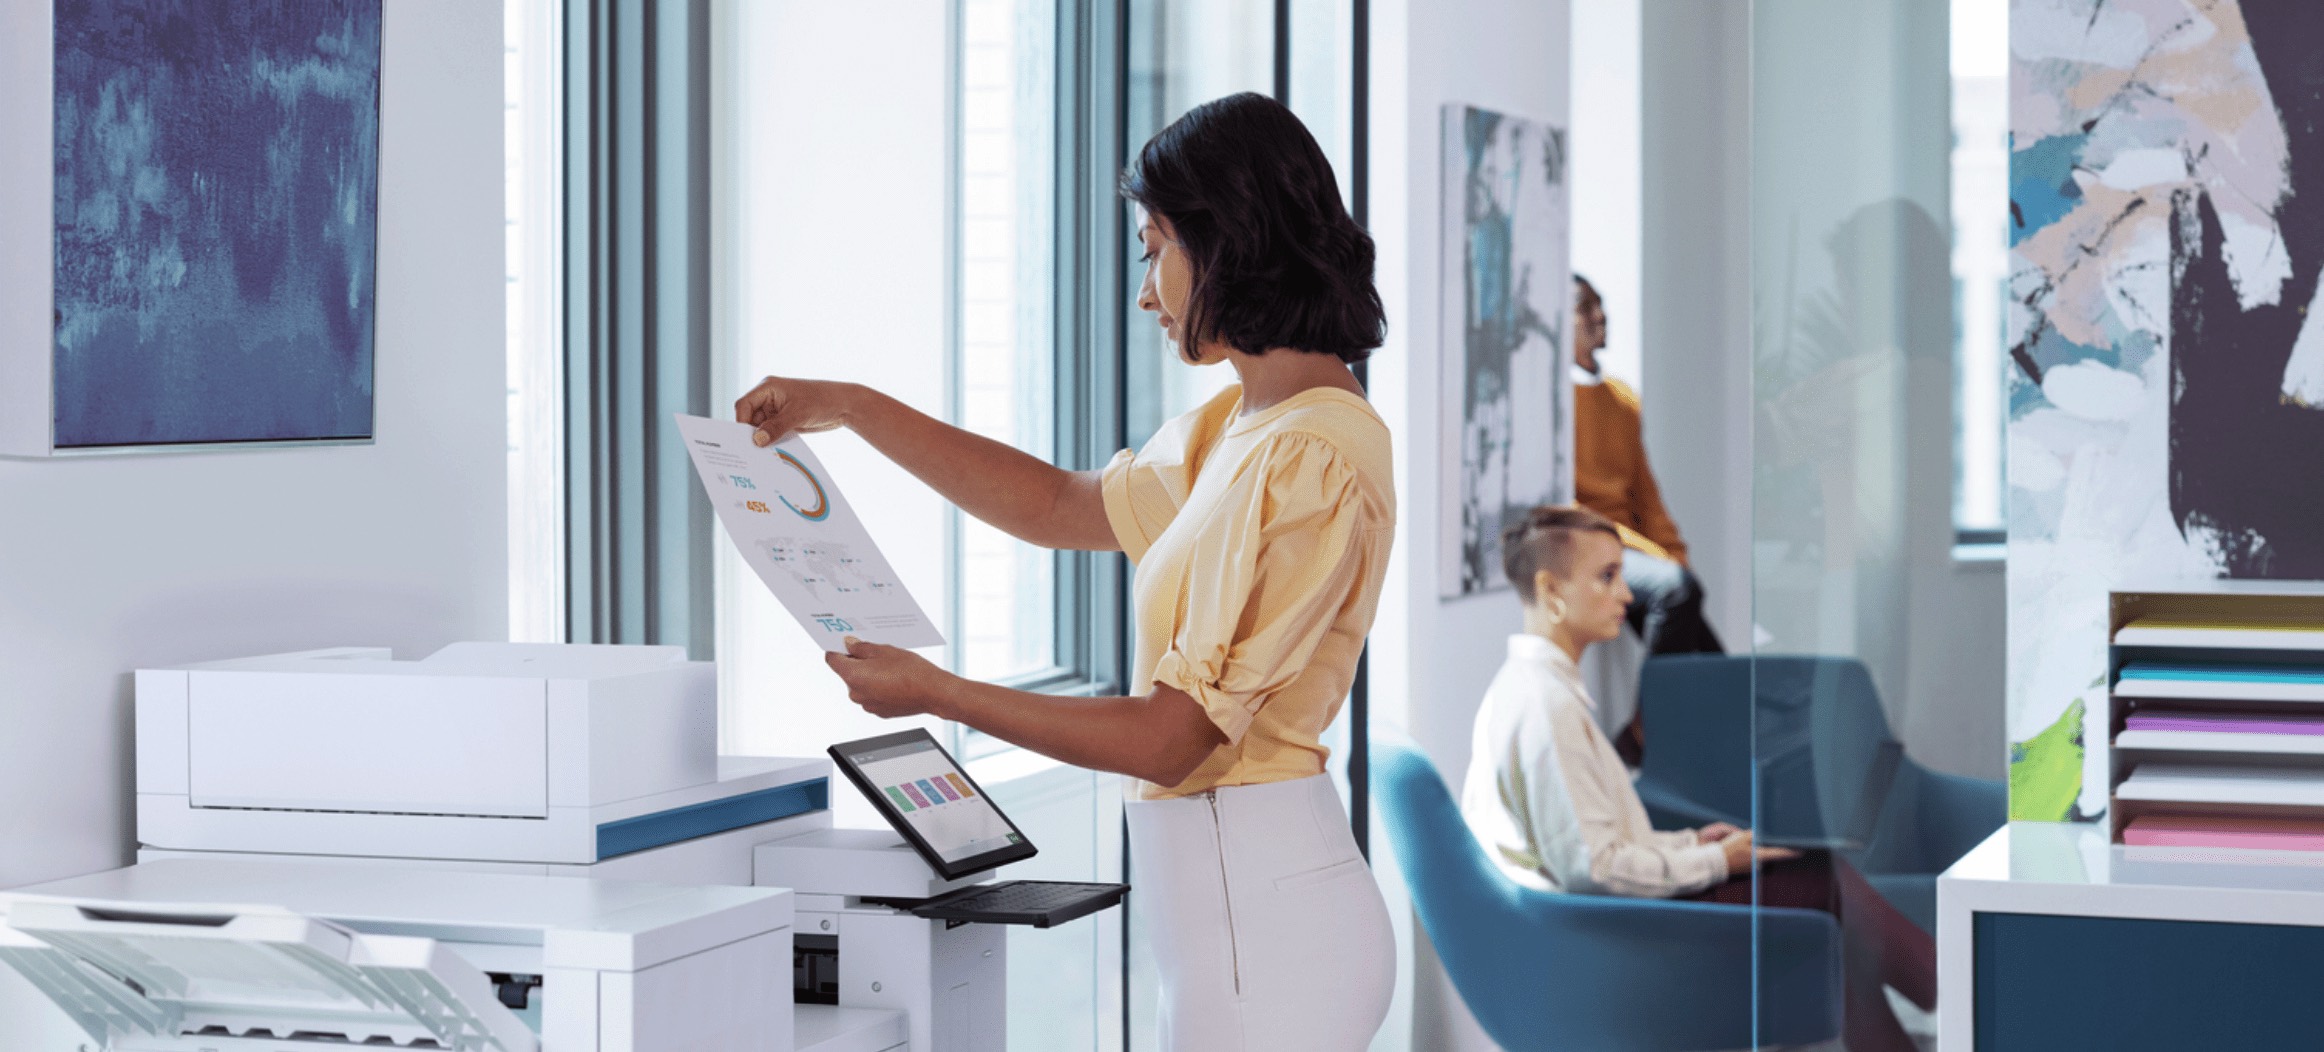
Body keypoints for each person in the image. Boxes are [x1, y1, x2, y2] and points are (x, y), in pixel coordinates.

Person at [736, 92, 1394, 1051]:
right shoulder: (1241, 425)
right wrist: (851, 406)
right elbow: (1058, 506)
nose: (1145, 293)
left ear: (1228, 238)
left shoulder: (1308, 454)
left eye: (1151, 249)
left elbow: (1175, 740)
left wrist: (940, 694)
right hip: (1235, 914)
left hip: (1263, 925)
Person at [1460, 504, 1935, 1052]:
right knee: (1823, 880)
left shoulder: (1538, 691)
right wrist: (1717, 861)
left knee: (1819, 887)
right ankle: (1947, 985)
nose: (1628, 596)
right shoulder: (1545, 707)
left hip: (1600, 914)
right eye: (1607, 577)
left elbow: (1598, 841)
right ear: (1551, 591)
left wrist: (1694, 842)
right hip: (1607, 933)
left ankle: (1932, 997)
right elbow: (1595, 867)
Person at [1570, 275, 1723, 659]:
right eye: (1584, 308)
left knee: (1715, 662)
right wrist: (1650, 554)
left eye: (1600, 304)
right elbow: (1567, 507)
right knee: (1674, 589)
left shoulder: (1622, 399)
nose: (1600, 316)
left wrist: (1672, 552)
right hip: (1586, 545)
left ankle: (1666, 714)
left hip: (1632, 550)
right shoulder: (1551, 400)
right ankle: (1646, 719)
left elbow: (1646, 493)